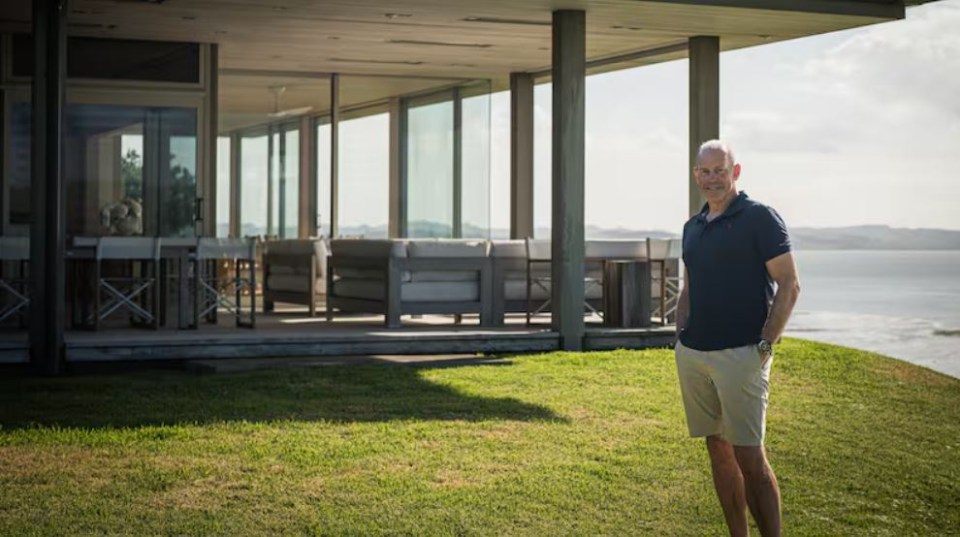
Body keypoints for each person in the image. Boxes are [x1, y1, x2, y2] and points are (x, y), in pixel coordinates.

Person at [675, 140, 800, 537]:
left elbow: (790, 285)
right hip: (694, 355)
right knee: (717, 447)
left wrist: (765, 346)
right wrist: (680, 335)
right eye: (705, 171)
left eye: (720, 170)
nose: (713, 178)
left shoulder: (760, 218)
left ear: (736, 172)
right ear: (697, 175)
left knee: (750, 456)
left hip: (742, 354)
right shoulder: (692, 227)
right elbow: (689, 287)